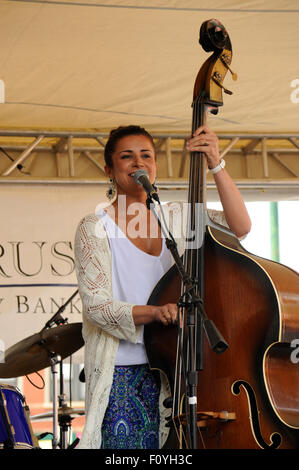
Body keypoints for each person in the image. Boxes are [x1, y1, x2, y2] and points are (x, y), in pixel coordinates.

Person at [74, 124, 251, 449]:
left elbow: (239, 226)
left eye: (146, 155)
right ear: (109, 170)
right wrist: (156, 313)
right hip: (124, 372)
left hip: (179, 368)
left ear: (155, 165)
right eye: (126, 157)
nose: (138, 163)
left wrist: (215, 161)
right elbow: (97, 307)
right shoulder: (94, 226)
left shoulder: (177, 217)